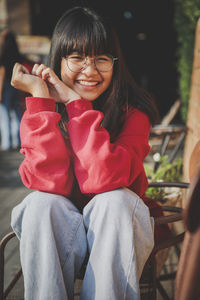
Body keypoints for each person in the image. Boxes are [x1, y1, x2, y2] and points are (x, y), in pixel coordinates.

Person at [10, 6, 167, 300]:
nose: (91, 70)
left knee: (115, 200)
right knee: (41, 204)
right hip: (62, 231)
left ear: (115, 64)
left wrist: (74, 103)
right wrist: (42, 98)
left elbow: (107, 176)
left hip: (119, 233)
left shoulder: (134, 113)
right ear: (58, 60)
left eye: (102, 59)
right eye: (77, 57)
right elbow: (47, 181)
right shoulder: (42, 108)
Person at [0, 29, 33, 150]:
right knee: (17, 114)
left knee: (4, 116)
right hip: (16, 85)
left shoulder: (3, 54)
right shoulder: (16, 54)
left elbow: (2, 73)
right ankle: (19, 141)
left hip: (6, 86)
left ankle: (6, 143)